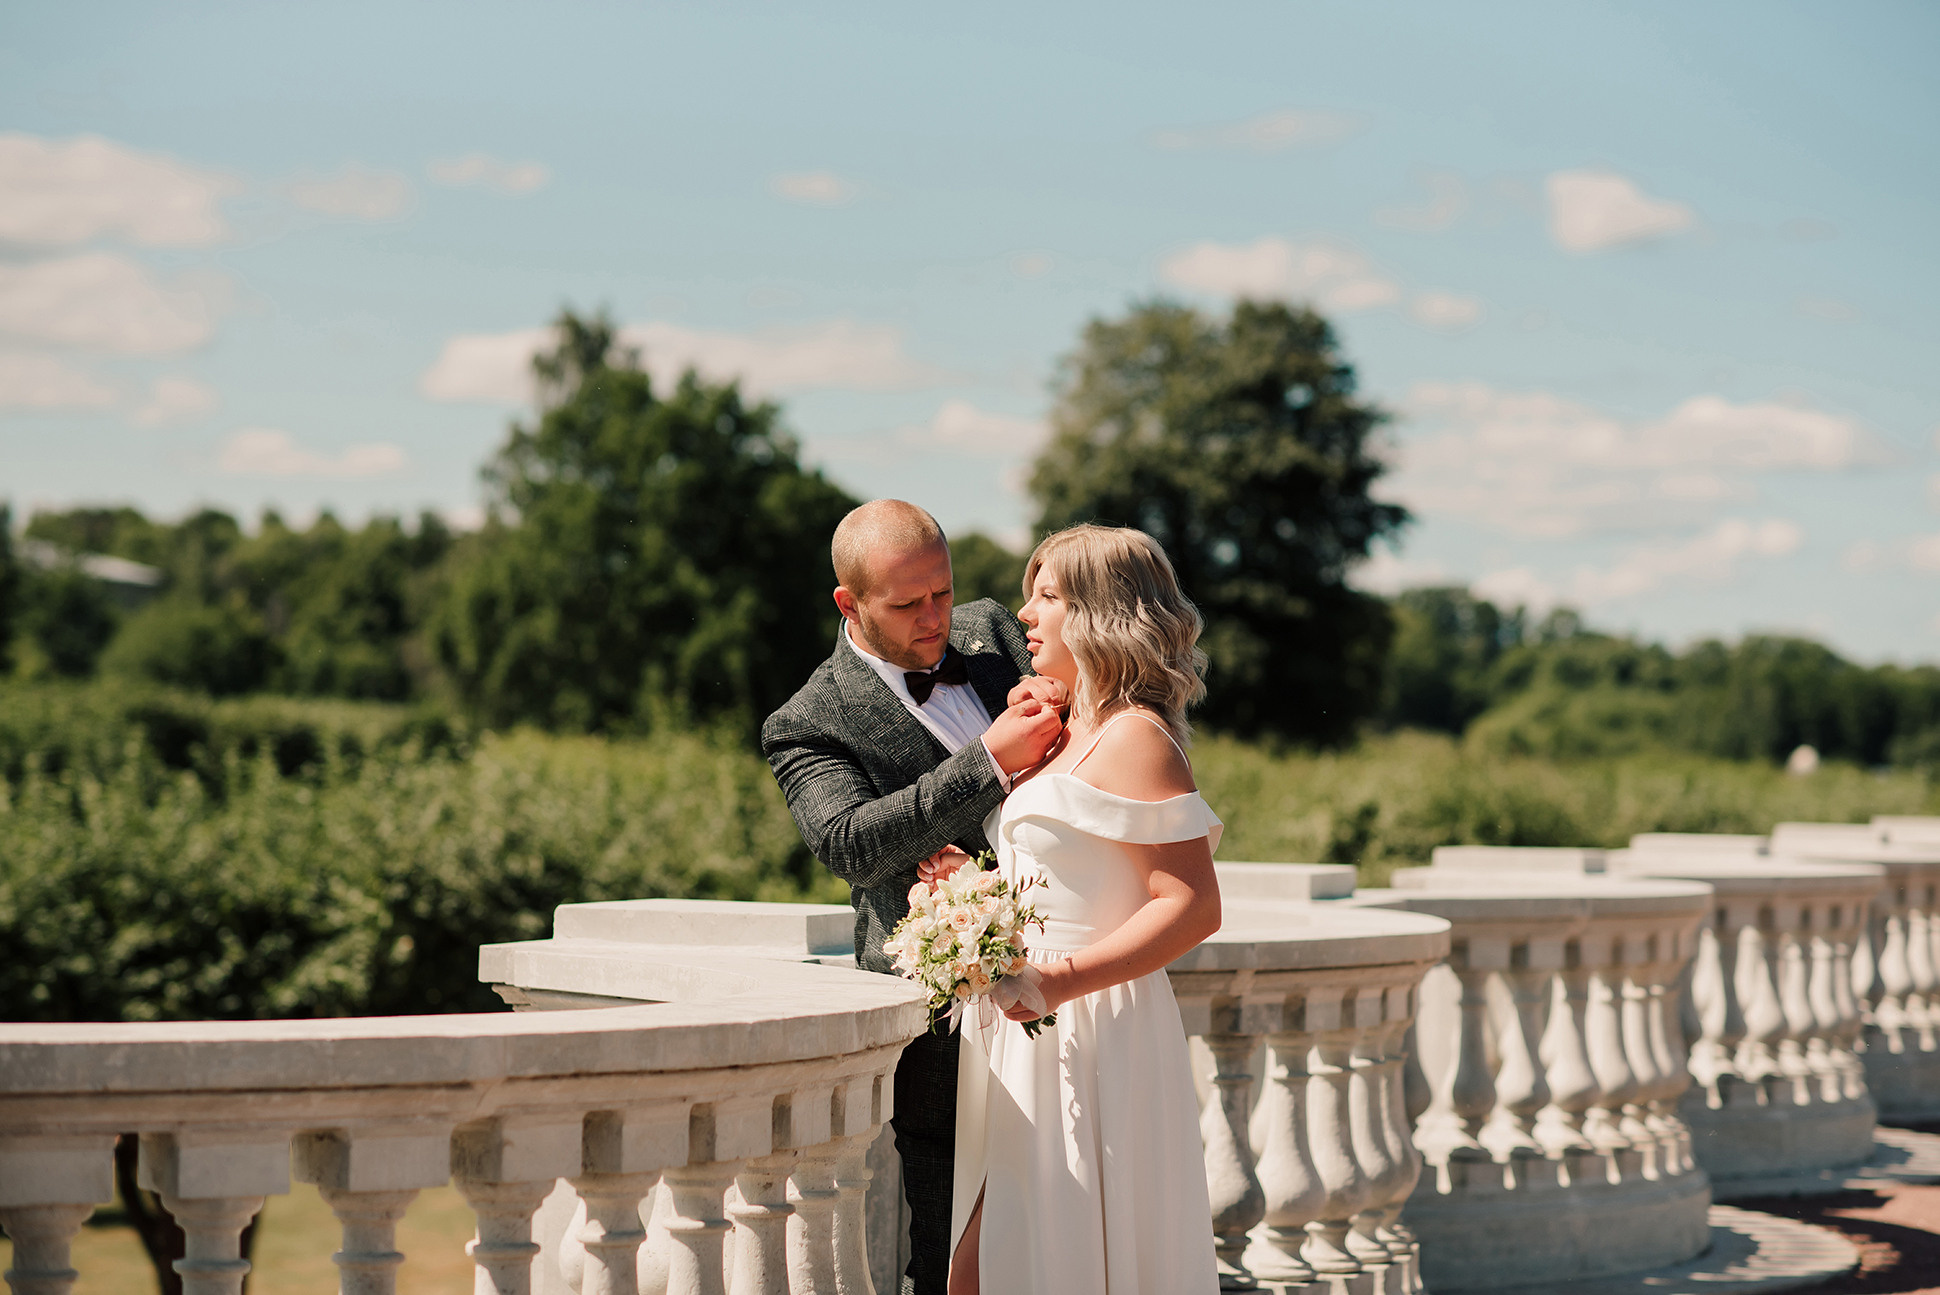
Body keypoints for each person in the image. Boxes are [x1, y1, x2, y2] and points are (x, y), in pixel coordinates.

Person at [763, 499, 1067, 1295]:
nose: (938, 616)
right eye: (908, 603)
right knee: (952, 1247)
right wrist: (990, 761)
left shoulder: (998, 631)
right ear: (849, 602)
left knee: (1075, 1219)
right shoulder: (807, 720)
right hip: (944, 1028)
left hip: (1076, 985)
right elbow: (853, 843)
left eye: (943, 589)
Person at [946, 523, 1223, 1295]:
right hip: (1019, 1026)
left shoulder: (1139, 737)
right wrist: (966, 891)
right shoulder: (1068, 734)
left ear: (1100, 612)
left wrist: (1057, 981)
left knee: (1016, 1258)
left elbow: (1194, 906)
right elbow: (1061, 870)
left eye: (1048, 594)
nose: (1025, 613)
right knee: (993, 1260)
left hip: (1094, 1025)